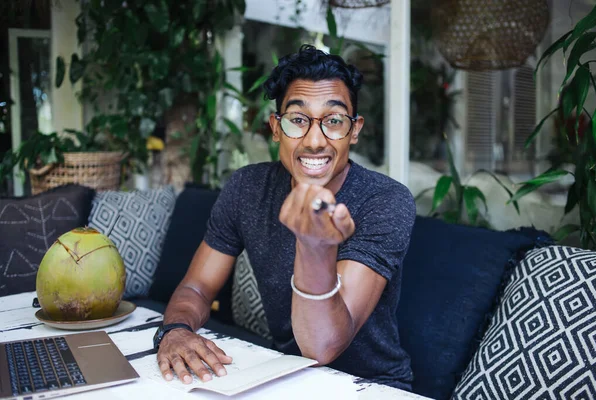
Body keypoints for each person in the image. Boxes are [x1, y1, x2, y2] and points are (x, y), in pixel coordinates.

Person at [154, 44, 416, 391]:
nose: (314, 141)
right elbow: (196, 287)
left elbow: (324, 346)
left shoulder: (385, 200)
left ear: (354, 130)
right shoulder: (247, 188)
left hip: (372, 387)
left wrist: (314, 247)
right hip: (285, 378)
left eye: (334, 121)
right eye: (298, 120)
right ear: (276, 127)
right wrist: (176, 331)